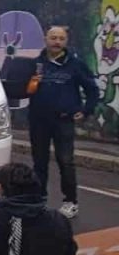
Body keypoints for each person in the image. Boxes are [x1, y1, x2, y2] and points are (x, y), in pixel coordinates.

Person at [27, 26, 100, 218]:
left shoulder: (75, 64)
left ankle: (70, 202)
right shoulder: (36, 64)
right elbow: (21, 88)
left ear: (66, 41)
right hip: (38, 121)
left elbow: (92, 89)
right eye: (53, 38)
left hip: (63, 121)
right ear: (46, 39)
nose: (57, 42)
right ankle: (39, 200)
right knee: (39, 163)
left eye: (61, 38)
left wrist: (86, 110)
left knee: (66, 162)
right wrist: (30, 84)